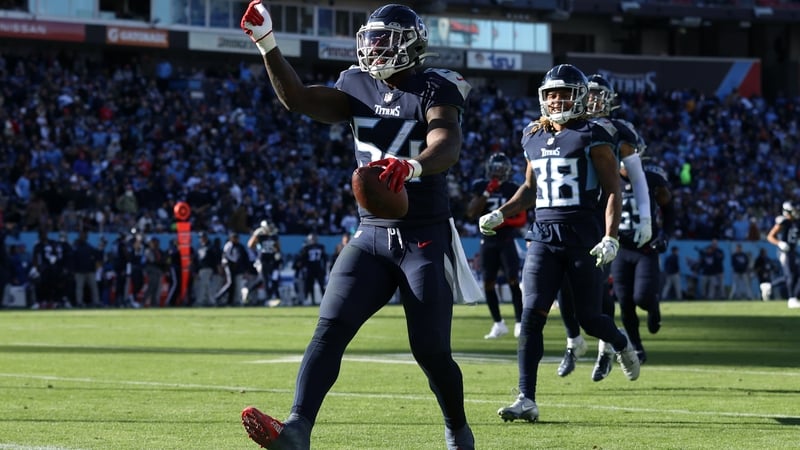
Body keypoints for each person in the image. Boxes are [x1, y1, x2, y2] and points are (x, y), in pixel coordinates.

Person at [239, 3, 476, 449]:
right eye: (370, 38)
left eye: (384, 38)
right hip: (370, 236)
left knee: (430, 350)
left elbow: (446, 142)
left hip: (423, 236)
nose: (373, 47)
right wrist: (267, 43)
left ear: (411, 43)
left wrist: (413, 166)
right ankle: (297, 429)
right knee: (329, 330)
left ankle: (457, 429)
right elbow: (299, 99)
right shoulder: (355, 83)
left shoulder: (437, 86)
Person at [479, 64, 639, 424]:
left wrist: (610, 236)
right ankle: (526, 398)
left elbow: (614, 189)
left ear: (580, 96)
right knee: (531, 314)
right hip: (543, 237)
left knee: (589, 318)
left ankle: (621, 343)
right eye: (551, 93)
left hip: (582, 236)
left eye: (563, 92)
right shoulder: (532, 135)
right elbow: (530, 190)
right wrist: (501, 214)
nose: (556, 99)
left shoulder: (594, 133)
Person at [553, 72, 657, 377]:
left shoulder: (618, 129)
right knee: (561, 283)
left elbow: (636, 177)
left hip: (601, 218)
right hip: (567, 214)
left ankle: (604, 348)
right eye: (591, 93)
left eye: (601, 94)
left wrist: (646, 218)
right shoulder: (564, 124)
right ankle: (573, 341)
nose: (595, 99)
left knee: (598, 288)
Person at [465, 152, 526, 339]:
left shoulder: (512, 188)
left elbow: (522, 218)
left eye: (501, 168)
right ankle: (498, 324)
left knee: (513, 280)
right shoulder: (481, 186)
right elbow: (471, 213)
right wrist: (487, 192)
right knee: (488, 283)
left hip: (507, 240)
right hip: (487, 241)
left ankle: (519, 322)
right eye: (496, 167)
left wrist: (502, 222)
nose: (498, 171)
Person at [767, 201, 800, 308]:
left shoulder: (797, 222)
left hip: (793, 251)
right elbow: (770, 236)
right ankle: (792, 299)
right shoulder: (783, 222)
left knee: (794, 275)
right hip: (784, 251)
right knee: (790, 275)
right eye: (794, 210)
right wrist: (779, 243)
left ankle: (770, 285)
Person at [247, 220, 282, 303]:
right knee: (265, 279)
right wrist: (255, 235)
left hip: (271, 260)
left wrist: (276, 252)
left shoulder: (274, 236)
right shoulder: (260, 236)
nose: (270, 228)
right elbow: (250, 245)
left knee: (263, 279)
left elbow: (278, 247)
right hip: (262, 259)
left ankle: (248, 290)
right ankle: (268, 299)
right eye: (269, 227)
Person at [214, 232, 249, 307]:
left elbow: (244, 258)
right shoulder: (228, 246)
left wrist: (245, 269)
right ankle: (218, 297)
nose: (236, 240)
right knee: (230, 284)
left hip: (238, 269)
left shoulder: (240, 247)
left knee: (234, 285)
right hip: (230, 267)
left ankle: (231, 301)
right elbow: (226, 256)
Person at [295, 233, 327, 306]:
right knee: (311, 286)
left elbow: (324, 259)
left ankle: (324, 300)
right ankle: (313, 300)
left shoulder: (317, 247)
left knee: (321, 286)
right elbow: (303, 259)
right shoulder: (308, 248)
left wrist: (324, 269)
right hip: (311, 269)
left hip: (317, 268)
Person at [194, 231, 220, 307]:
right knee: (206, 285)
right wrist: (195, 270)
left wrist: (216, 268)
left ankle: (201, 301)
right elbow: (196, 259)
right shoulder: (198, 247)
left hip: (208, 268)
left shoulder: (210, 246)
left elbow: (215, 258)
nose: (202, 239)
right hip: (200, 269)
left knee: (204, 285)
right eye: (201, 237)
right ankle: (211, 301)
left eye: (203, 237)